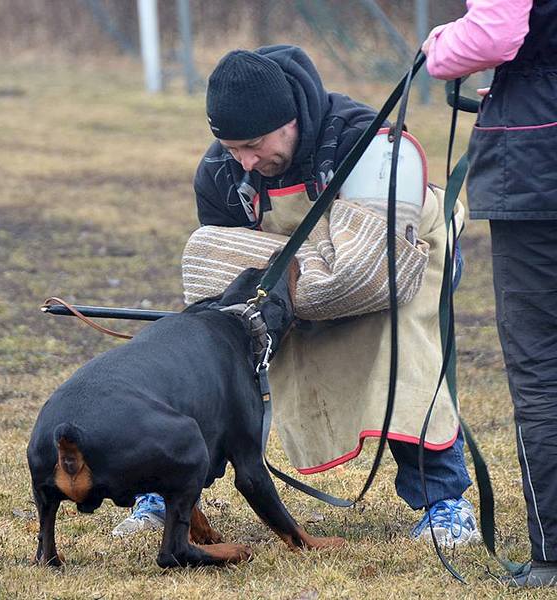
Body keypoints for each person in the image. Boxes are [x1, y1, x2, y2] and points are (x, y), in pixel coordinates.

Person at [113, 45, 479, 547]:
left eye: (255, 144)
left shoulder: (361, 140)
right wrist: (305, 279)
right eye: (231, 146)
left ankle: (446, 505)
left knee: (401, 346)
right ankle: (168, 488)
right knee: (215, 353)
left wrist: (305, 275)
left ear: (289, 121)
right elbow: (229, 269)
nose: (244, 160)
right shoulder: (221, 173)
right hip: (305, 273)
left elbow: (370, 267)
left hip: (408, 257)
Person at [421, 0, 557, 588]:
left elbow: (495, 32)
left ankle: (551, 555)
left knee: (542, 367)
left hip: (537, 158)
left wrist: (439, 46)